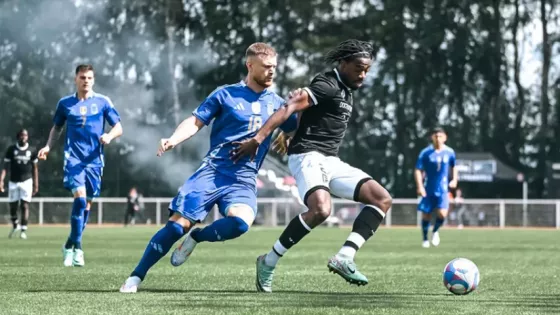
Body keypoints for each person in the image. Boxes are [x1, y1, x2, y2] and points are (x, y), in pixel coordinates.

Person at [119, 42, 298, 293]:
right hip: (212, 172)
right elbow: (195, 121)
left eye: (274, 67)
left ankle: (196, 237)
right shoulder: (225, 94)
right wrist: (173, 139)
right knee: (175, 227)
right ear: (250, 65)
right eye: (266, 67)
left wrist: (289, 135)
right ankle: (135, 277)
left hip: (243, 180)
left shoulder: (279, 104)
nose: (272, 72)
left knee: (240, 224)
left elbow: (295, 128)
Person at [231, 39, 393, 292]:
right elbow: (290, 105)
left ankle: (345, 257)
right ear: (344, 63)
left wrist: (294, 129)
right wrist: (259, 138)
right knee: (320, 209)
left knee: (381, 199)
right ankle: (268, 261)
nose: (363, 75)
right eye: (359, 68)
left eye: (367, 70)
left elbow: (307, 113)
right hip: (307, 156)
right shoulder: (327, 84)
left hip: (330, 160)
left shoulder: (346, 90)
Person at [38, 64, 123, 267]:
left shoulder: (103, 102)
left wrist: (109, 136)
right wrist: (48, 147)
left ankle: (70, 245)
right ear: (76, 79)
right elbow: (57, 128)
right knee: (80, 200)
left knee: (86, 208)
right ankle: (79, 249)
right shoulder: (65, 104)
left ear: (93, 80)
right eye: (83, 77)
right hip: (74, 160)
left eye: (89, 78)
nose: (86, 81)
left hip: (95, 162)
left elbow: (119, 127)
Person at [414, 127, 457, 248]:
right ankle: (424, 239)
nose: (438, 138)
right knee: (426, 214)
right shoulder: (425, 153)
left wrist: (454, 179)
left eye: (440, 136)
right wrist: (420, 186)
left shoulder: (450, 152)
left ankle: (435, 231)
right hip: (428, 188)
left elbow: (454, 166)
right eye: (435, 136)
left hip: (443, 189)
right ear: (432, 137)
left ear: (445, 138)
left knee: (443, 214)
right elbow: (418, 170)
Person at [0, 129, 39, 239]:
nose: (23, 137)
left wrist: (36, 184)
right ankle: (15, 224)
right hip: (13, 181)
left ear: (28, 137)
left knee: (24, 205)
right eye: (21, 135)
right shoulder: (11, 149)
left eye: (25, 135)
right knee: (12, 206)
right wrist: (1, 180)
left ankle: (23, 230)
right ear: (18, 137)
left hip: (27, 181)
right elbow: (5, 167)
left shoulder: (32, 150)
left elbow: (35, 169)